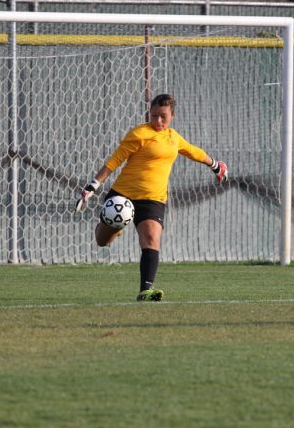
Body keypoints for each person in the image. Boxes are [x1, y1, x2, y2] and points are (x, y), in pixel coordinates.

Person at [75, 94, 228, 301]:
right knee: (102, 241)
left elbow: (193, 151)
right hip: (123, 197)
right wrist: (92, 186)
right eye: (154, 115)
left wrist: (215, 165)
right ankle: (117, 226)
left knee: (151, 239)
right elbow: (114, 161)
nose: (158, 121)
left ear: (172, 115)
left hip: (153, 199)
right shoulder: (139, 134)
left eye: (163, 116)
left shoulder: (173, 137)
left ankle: (145, 291)